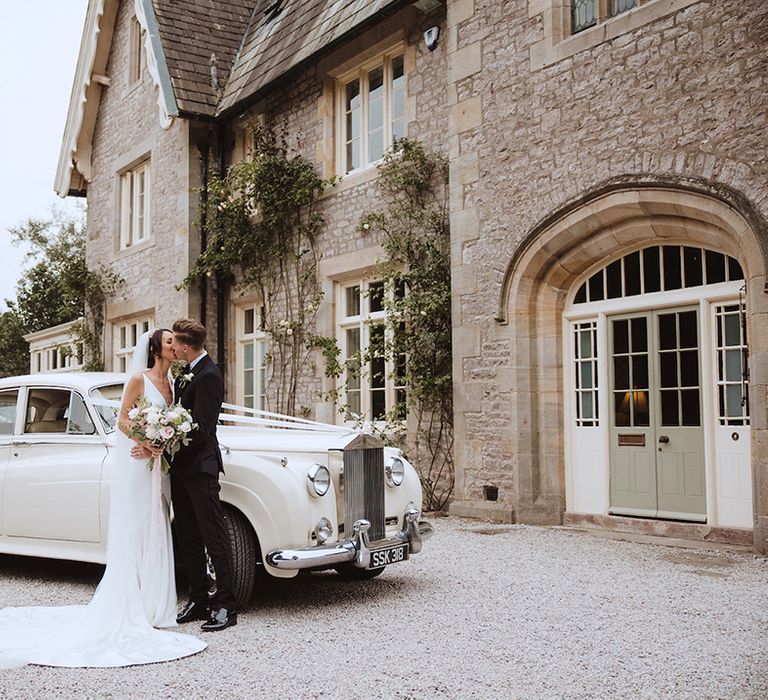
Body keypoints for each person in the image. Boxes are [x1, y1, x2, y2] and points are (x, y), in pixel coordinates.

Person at [0, 329, 206, 668]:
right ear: (156, 348)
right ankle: (132, 602)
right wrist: (148, 439)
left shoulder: (173, 382)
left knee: (156, 524)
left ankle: (155, 604)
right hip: (139, 465)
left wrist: (162, 441)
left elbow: (168, 423)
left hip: (157, 466)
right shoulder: (139, 379)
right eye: (169, 341)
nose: (176, 346)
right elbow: (122, 419)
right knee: (137, 524)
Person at [135, 319, 237, 632]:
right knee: (188, 536)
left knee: (213, 536)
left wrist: (165, 440)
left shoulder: (209, 375)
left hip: (201, 468)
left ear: (186, 346)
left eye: (176, 344)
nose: (174, 349)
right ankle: (198, 598)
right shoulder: (187, 373)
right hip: (179, 468)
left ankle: (226, 605)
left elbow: (202, 428)